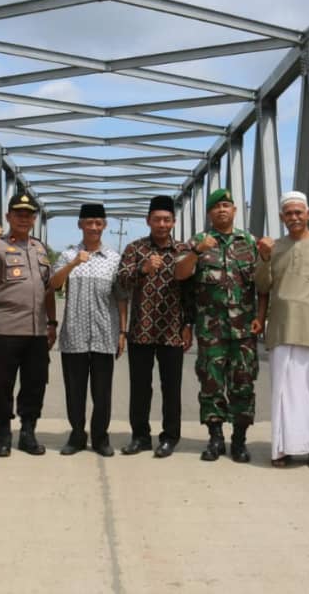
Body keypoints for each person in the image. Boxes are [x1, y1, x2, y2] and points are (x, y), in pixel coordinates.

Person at [254, 191, 309, 470]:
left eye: (298, 212)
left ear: (308, 214)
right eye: (288, 214)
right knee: (281, 391)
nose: (294, 218)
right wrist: (265, 259)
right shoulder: (274, 247)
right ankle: (281, 448)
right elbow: (263, 287)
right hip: (281, 328)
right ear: (282, 217)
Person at [174, 187, 259, 463]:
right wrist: (197, 252)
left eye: (226, 205)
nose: (222, 209)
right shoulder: (198, 241)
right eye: (216, 206)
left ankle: (239, 440)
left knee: (243, 384)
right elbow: (180, 274)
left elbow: (263, 284)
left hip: (244, 331)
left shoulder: (249, 242)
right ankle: (215, 438)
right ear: (210, 213)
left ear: (234, 210)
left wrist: (262, 315)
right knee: (211, 384)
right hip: (211, 331)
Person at [0, 192, 57, 457]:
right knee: (1, 384)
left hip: (36, 331)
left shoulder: (40, 248)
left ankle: (27, 433)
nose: (24, 218)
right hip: (5, 329)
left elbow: (48, 289)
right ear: (8, 216)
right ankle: (3, 435)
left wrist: (52, 322)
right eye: (18, 213)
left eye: (28, 214)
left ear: (34, 218)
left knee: (35, 383)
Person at [116, 195, 194, 458]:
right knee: (140, 387)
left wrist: (188, 324)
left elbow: (190, 291)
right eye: (157, 219)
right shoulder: (134, 248)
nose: (162, 224)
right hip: (141, 330)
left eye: (167, 219)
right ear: (147, 220)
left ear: (174, 221)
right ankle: (140, 436)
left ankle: (170, 437)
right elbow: (121, 284)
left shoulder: (183, 250)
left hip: (172, 329)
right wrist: (143, 268)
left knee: (171, 388)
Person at [49, 203, 126, 457]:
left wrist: (123, 332)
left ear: (104, 226)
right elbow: (54, 284)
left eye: (98, 223)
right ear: (80, 224)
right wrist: (72, 265)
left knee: (102, 392)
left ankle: (101, 438)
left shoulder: (114, 259)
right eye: (89, 222)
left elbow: (122, 297)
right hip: (75, 334)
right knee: (75, 391)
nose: (94, 227)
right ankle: (77, 435)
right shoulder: (67, 254)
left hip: (106, 333)